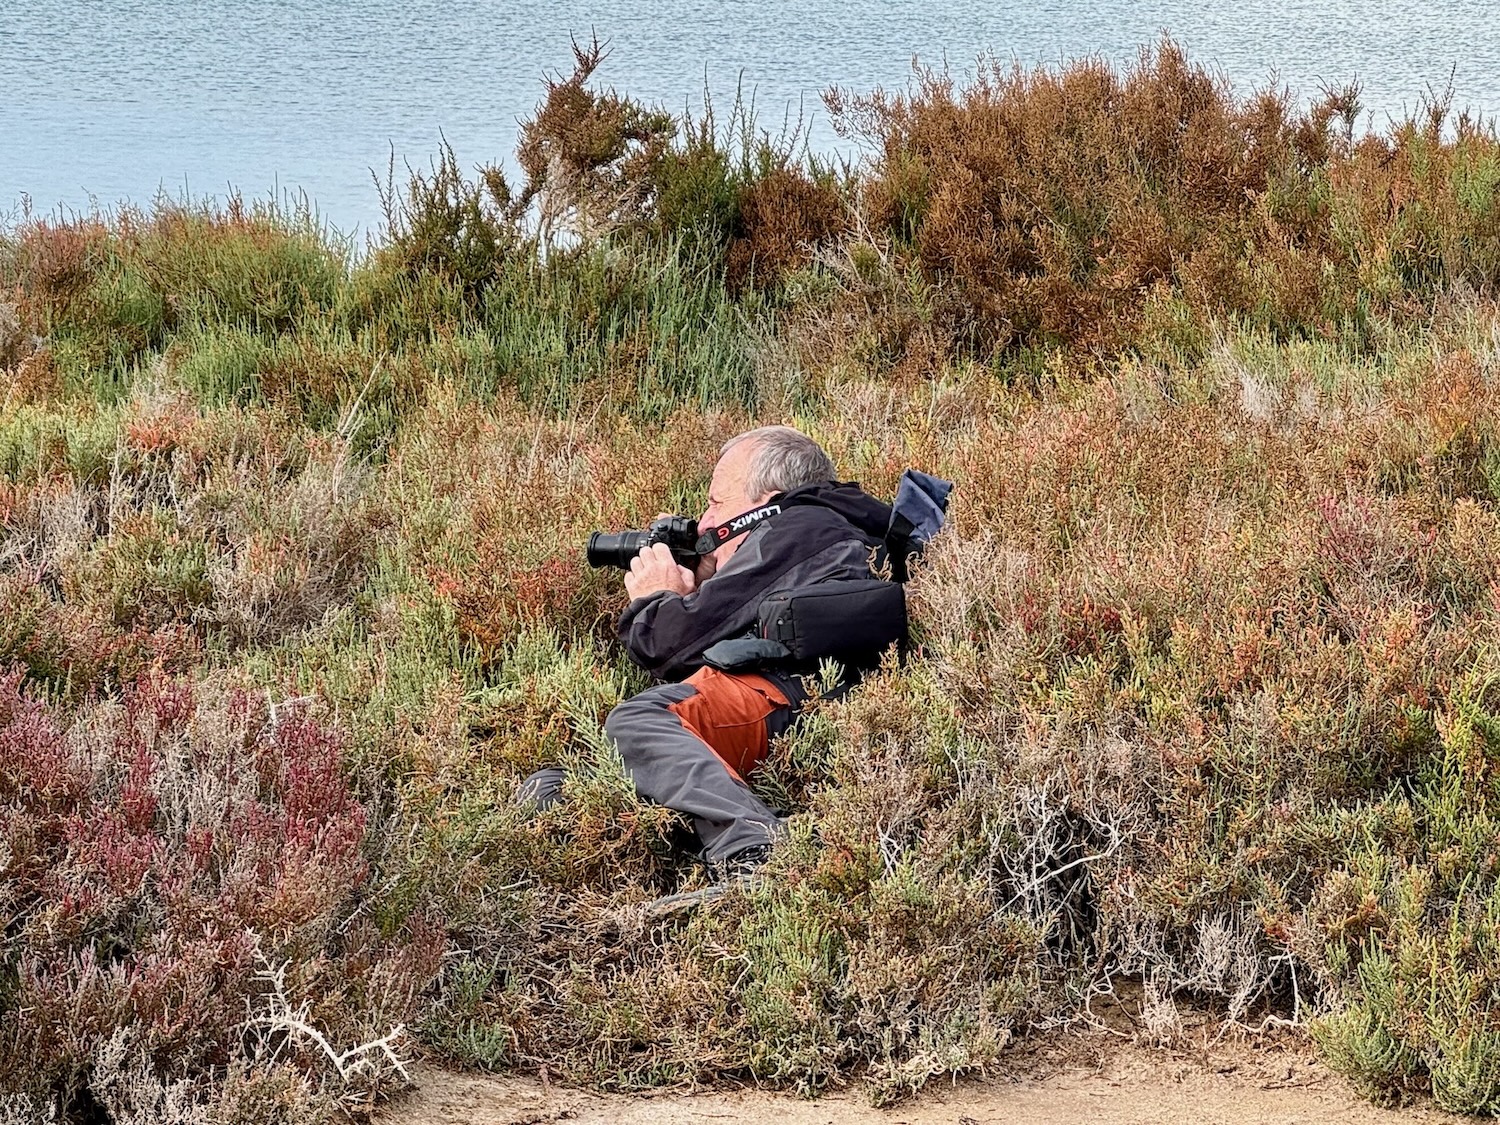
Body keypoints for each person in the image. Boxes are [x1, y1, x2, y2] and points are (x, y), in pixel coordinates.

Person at [520, 426, 907, 878]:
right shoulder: (823, 530)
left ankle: (754, 850)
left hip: (786, 695)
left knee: (640, 720)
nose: (704, 523)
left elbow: (667, 645)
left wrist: (654, 597)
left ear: (766, 501)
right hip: (772, 699)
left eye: (717, 504)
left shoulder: (802, 527)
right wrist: (707, 580)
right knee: (553, 786)